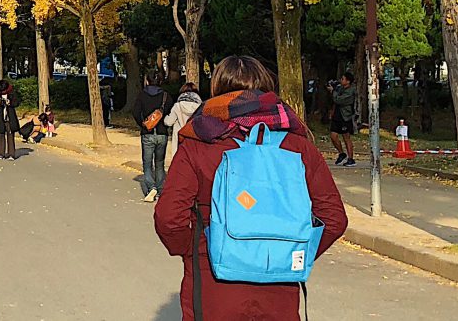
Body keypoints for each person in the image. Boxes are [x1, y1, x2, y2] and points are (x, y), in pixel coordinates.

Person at [154, 56, 347, 321]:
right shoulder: (297, 144)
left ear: (217, 90)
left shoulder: (200, 142)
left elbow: (169, 217)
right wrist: (293, 251)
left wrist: (194, 250)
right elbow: (334, 218)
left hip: (214, 284)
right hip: (279, 288)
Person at [134, 70, 171, 202]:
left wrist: (143, 124)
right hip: (162, 134)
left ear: (147, 80)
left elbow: (135, 112)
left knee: (147, 163)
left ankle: (151, 188)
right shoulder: (166, 96)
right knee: (160, 163)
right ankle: (161, 190)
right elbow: (169, 113)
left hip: (147, 134)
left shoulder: (142, 95)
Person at [165, 82, 203, 166]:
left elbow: (168, 122)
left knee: (179, 163)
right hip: (194, 138)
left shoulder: (177, 106)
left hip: (179, 138)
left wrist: (165, 117)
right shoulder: (200, 107)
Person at [329, 71, 359, 167]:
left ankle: (351, 158)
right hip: (337, 115)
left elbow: (339, 100)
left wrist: (333, 92)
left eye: (343, 79)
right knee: (333, 135)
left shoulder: (351, 91)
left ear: (348, 81)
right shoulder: (340, 88)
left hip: (345, 116)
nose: (341, 81)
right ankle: (341, 153)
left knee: (346, 137)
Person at [0, 79, 20, 160]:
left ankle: (11, 154)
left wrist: (10, 103)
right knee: (0, 134)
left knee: (10, 134)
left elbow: (17, 103)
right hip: (1, 117)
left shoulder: (12, 93)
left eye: (4, 90)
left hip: (10, 117)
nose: (3, 92)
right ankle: (0, 153)